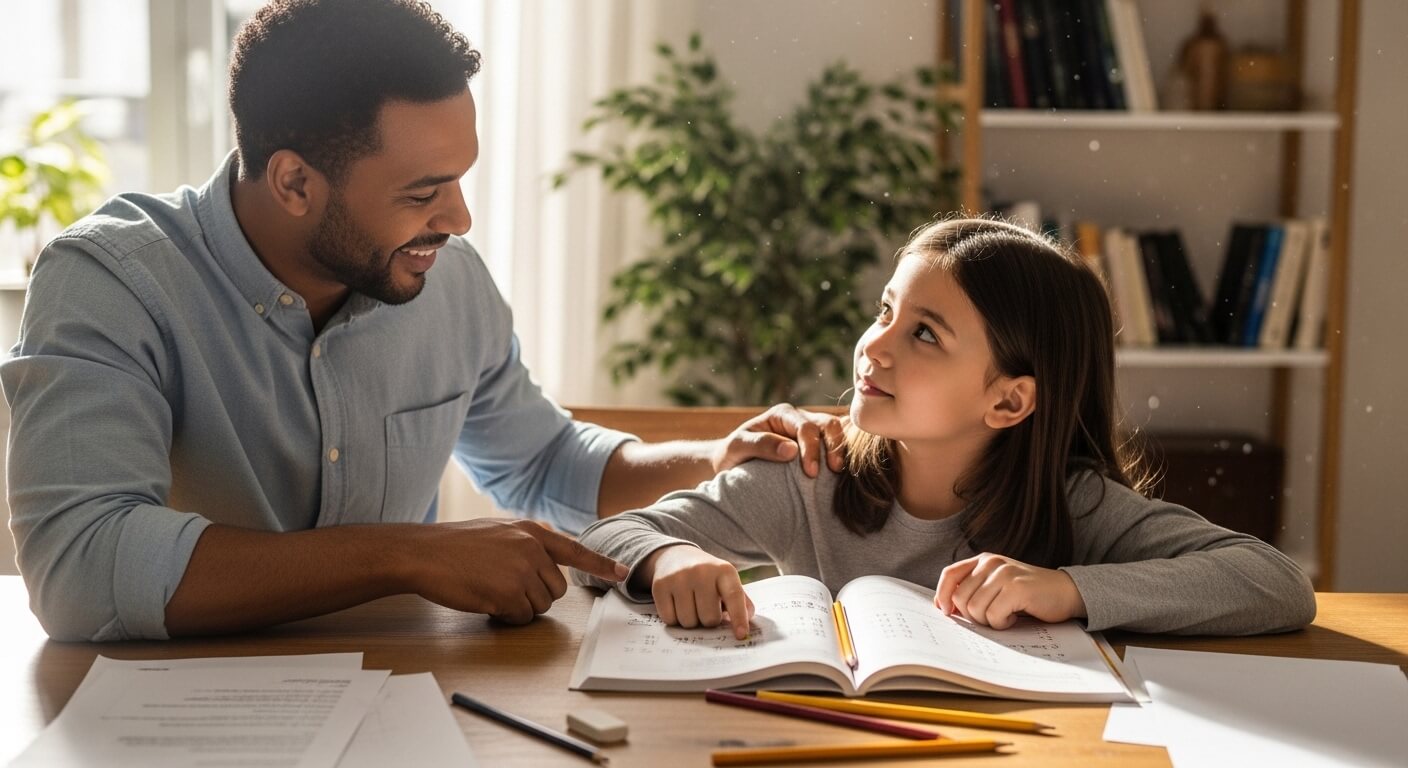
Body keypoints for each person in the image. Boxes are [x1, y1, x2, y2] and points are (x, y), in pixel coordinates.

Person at [0, 0, 844, 643]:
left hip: (405, 699)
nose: (461, 219)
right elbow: (81, 565)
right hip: (172, 721)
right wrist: (405, 553)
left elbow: (540, 457)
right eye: (422, 192)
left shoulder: (444, 278)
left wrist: (710, 455)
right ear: (294, 183)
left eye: (460, 179)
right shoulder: (112, 281)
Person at [574, 218, 1317, 639]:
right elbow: (599, 541)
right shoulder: (812, 474)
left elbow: (1278, 585)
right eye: (884, 312)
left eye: (925, 335)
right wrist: (667, 558)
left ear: (1009, 402)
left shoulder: (1072, 504)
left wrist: (1067, 589)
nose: (877, 346)